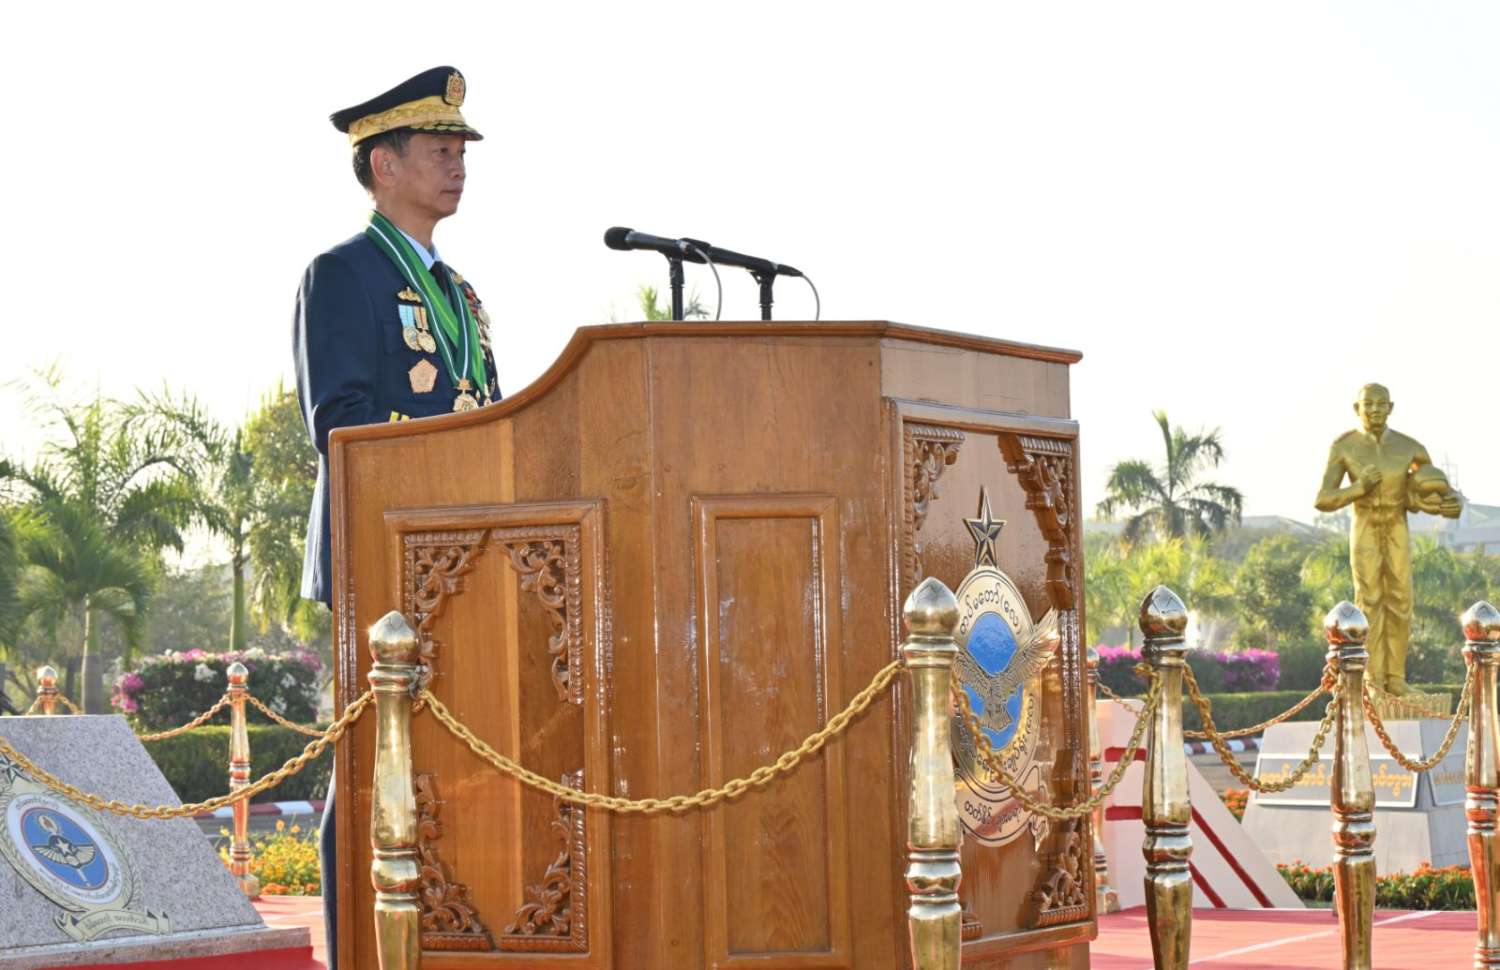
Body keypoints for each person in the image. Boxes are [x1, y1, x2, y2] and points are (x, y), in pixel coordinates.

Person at [292, 65, 499, 968]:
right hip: (379, 556)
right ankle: (357, 949)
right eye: (440, 150)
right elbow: (338, 424)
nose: (458, 165)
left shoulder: (462, 296)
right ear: (383, 164)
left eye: (462, 151)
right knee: (373, 765)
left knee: (445, 768)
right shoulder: (343, 274)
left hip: (468, 558)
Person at [1315, 383, 1460, 695]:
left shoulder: (1410, 448)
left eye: (1381, 404)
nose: (1375, 410)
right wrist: (1359, 487)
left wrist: (1450, 503)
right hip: (1364, 525)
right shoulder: (1344, 446)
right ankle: (1371, 680)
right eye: (1368, 404)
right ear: (1357, 409)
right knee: (1368, 599)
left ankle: (1395, 679)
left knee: (1401, 600)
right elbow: (1323, 499)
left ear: (1391, 407)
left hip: (1397, 525)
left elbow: (1429, 493)